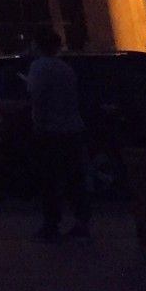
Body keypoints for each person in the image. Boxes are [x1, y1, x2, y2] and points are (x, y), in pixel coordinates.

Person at [26, 27, 90, 239]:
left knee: (50, 180)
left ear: (38, 45)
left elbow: (38, 98)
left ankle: (51, 224)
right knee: (74, 178)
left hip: (50, 131)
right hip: (72, 129)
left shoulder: (39, 67)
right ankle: (82, 222)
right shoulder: (66, 68)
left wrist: (38, 123)